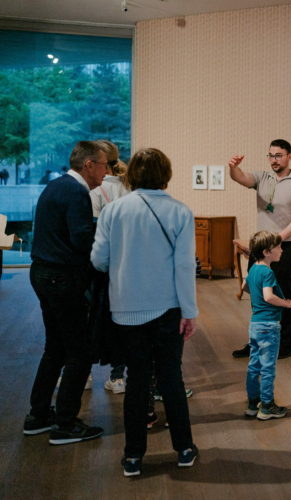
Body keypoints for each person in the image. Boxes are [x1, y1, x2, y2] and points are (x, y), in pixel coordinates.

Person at [90, 148, 199, 477]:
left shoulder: (114, 211)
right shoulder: (180, 211)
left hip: (125, 309)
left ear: (131, 173)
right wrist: (189, 311)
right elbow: (184, 268)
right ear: (166, 173)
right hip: (168, 308)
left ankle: (134, 457)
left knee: (136, 381)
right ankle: (183, 449)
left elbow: (98, 260)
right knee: (171, 379)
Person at [23, 141, 107, 445]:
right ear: (89, 165)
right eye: (104, 164)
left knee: (56, 347)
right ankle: (65, 423)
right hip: (61, 276)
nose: (106, 170)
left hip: (42, 272)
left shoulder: (56, 185)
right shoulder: (76, 191)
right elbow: (81, 238)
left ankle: (38, 416)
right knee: (80, 351)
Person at [229, 139, 291, 359]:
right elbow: (240, 177)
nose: (274, 160)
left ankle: (284, 345)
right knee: (257, 295)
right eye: (271, 156)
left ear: (289, 157)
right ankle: (255, 342)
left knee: (282, 294)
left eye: (278, 155)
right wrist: (233, 167)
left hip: (285, 247)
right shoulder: (262, 178)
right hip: (260, 248)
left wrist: (277, 238)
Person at [89, 140, 131, 394]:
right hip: (125, 269)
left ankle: (82, 375)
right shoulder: (130, 189)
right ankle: (118, 377)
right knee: (120, 322)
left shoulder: (94, 191)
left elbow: (92, 234)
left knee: (91, 320)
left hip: (100, 267)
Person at [242, 231, 291, 420]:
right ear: (266, 251)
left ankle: (252, 403)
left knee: (254, 366)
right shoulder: (267, 271)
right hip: (269, 326)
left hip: (255, 325)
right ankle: (267, 405)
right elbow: (268, 296)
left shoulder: (254, 269)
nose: (282, 250)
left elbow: (245, 287)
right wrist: (286, 303)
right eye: (278, 247)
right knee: (267, 368)